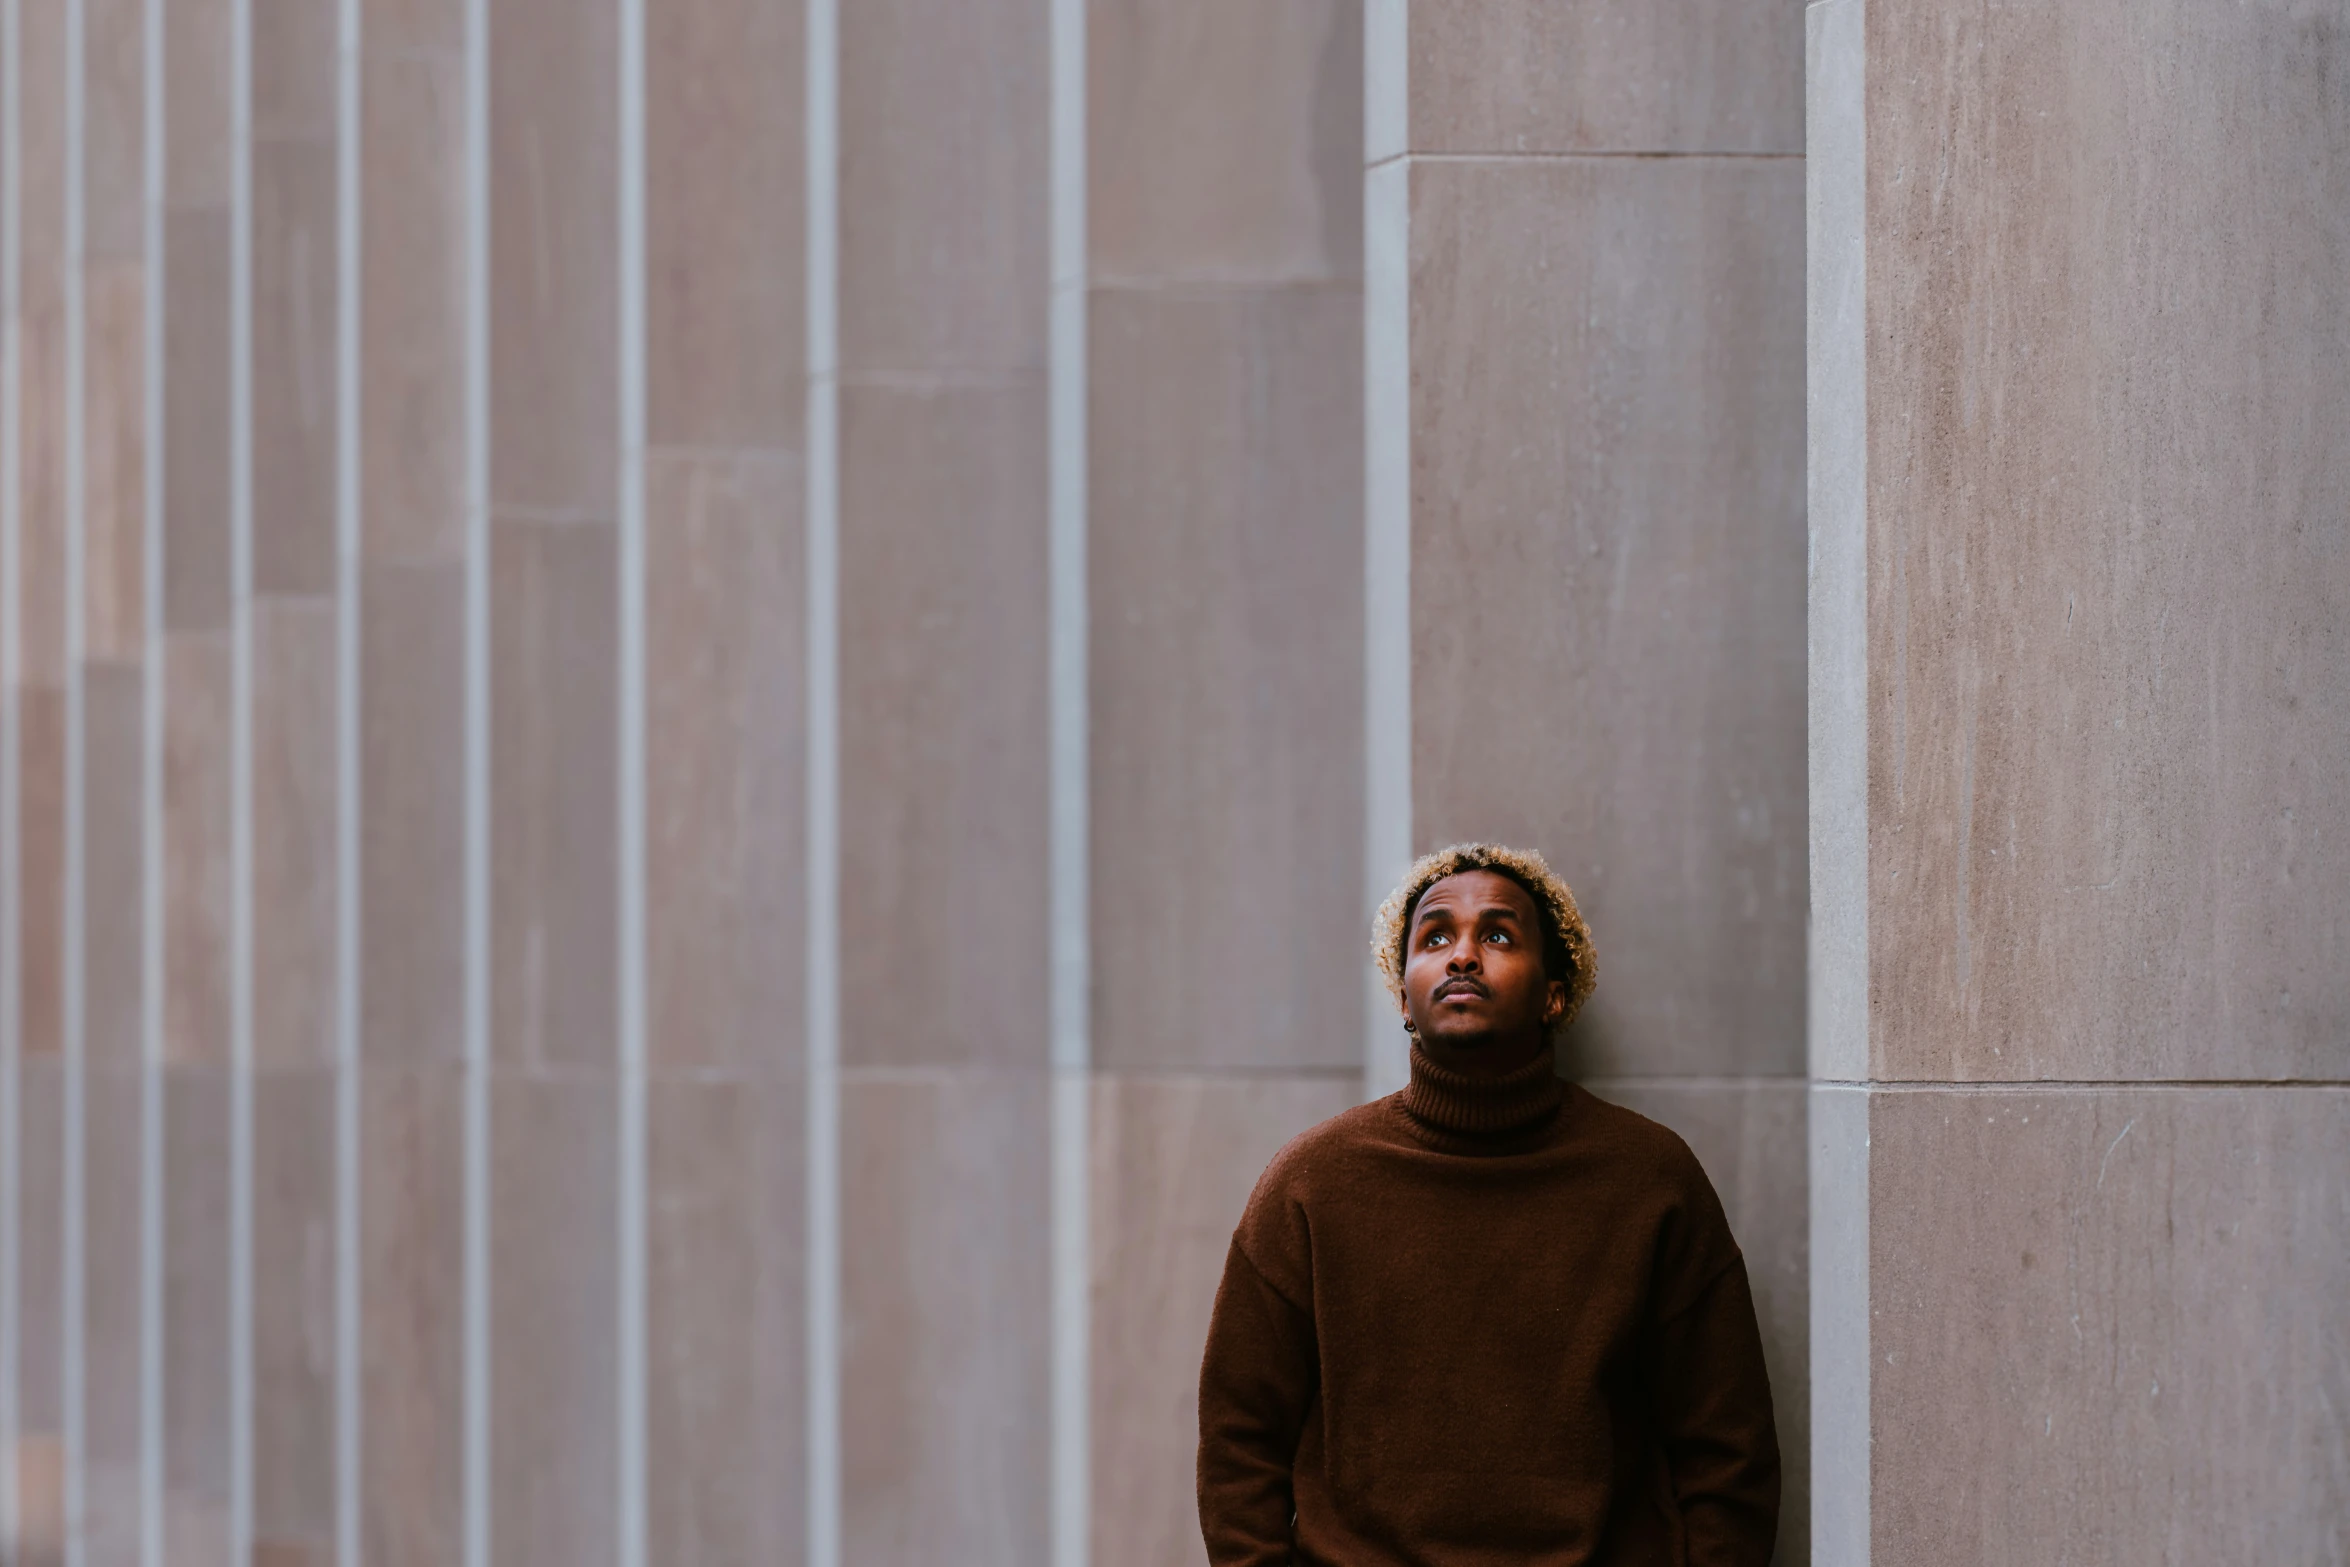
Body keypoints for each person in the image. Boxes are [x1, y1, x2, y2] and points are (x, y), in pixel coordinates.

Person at [1196, 843, 1780, 1565]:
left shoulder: (1651, 1179)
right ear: (1403, 995)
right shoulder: (1310, 1182)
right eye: (1435, 936)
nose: (1463, 955)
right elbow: (1238, 1442)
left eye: (1497, 934)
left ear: (1554, 994)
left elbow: (1729, 1450)